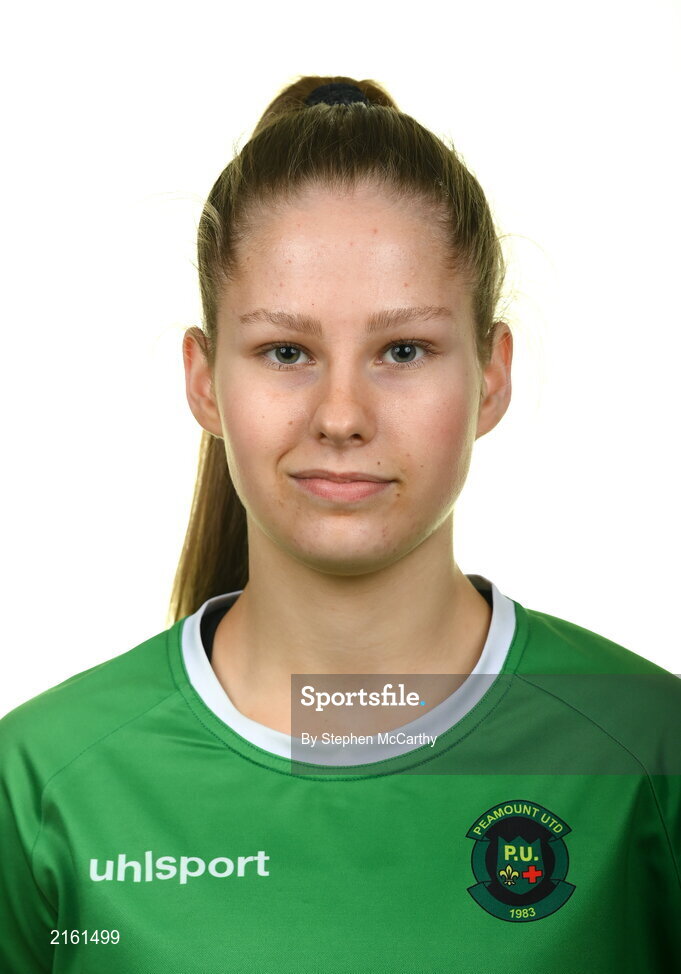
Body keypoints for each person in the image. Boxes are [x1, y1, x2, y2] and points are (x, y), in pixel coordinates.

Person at [1, 75, 679, 974]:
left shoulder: (646, 751)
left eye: (403, 351)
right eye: (286, 352)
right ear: (205, 381)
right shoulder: (44, 780)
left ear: (491, 377)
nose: (342, 414)